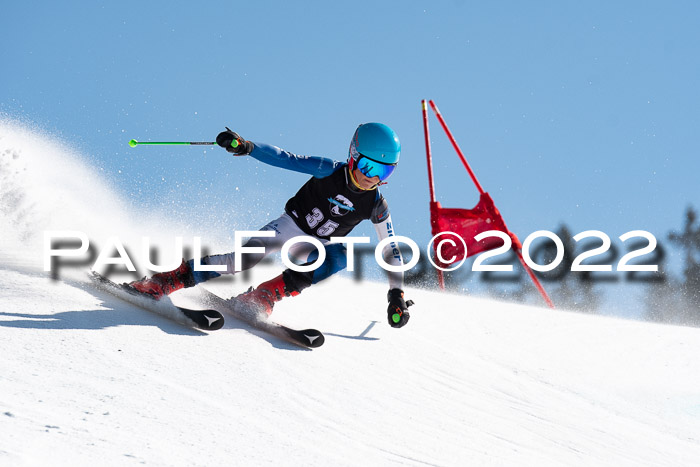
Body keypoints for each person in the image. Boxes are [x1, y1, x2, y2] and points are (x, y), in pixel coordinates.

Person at [128, 123, 413, 328]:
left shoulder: (375, 205)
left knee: (339, 257)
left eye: (383, 171)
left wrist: (396, 294)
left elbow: (390, 250)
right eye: (367, 167)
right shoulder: (329, 170)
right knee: (242, 260)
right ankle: (165, 281)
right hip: (290, 225)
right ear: (353, 155)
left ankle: (263, 295)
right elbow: (285, 158)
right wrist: (248, 147)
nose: (370, 178)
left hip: (315, 247)